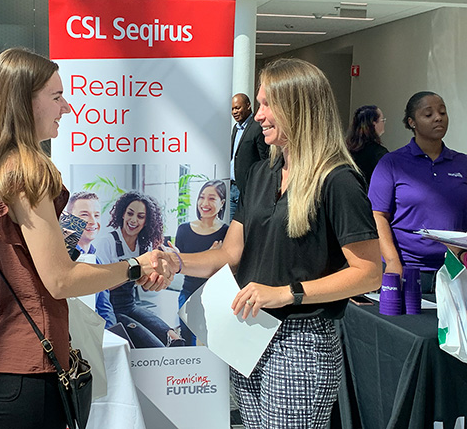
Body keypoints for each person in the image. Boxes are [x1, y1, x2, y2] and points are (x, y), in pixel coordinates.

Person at [0, 48, 171, 429]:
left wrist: (20, 275)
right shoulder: (28, 173)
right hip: (30, 370)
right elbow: (60, 280)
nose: (68, 108)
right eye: (57, 97)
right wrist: (135, 267)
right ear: (23, 102)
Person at [153, 58, 381, 428]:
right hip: (247, 335)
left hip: (301, 345)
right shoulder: (262, 173)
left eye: (266, 104)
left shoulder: (338, 182)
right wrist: (176, 263)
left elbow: (369, 274)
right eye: (258, 104)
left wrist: (287, 293)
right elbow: (230, 253)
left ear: (299, 108)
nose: (258, 115)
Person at [369, 91, 467, 293]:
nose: (438, 118)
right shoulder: (392, 163)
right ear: (412, 122)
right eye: (428, 114)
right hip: (408, 271)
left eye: (442, 112)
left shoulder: (462, 163)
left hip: (455, 272)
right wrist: (393, 263)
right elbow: (377, 216)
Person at [95, 191, 185, 348]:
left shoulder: (145, 245)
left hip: (130, 306)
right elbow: (100, 286)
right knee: (155, 346)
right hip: (110, 311)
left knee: (174, 338)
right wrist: (134, 272)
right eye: (130, 213)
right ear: (122, 214)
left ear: (146, 221)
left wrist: (165, 267)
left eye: (140, 216)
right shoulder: (107, 242)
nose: (133, 220)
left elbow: (146, 285)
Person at [175, 179, 228, 345]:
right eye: (202, 197)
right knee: (187, 342)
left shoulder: (228, 232)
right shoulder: (183, 229)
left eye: (212, 198)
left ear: (222, 203)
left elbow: (229, 270)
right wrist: (210, 256)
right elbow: (180, 266)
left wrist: (215, 260)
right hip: (188, 294)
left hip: (215, 297)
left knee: (211, 343)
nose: (205, 203)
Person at [59, 191, 116, 327]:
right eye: (84, 215)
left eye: (96, 215)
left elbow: (105, 308)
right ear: (69, 220)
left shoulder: (97, 261)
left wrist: (111, 334)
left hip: (96, 333)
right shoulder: (61, 258)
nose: (93, 221)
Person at [230, 93, 269, 220]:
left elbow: (265, 159)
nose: (234, 112)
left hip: (248, 190)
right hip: (232, 189)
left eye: (237, 108)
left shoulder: (257, 127)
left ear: (248, 106)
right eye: (232, 109)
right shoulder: (235, 128)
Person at [346, 105, 389, 185]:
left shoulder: (346, 151)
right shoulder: (380, 154)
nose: (384, 123)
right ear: (374, 124)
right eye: (382, 120)